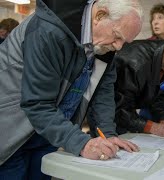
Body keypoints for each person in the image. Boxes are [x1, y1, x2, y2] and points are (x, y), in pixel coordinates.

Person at [0, 0, 143, 179]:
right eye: (117, 35)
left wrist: (107, 135)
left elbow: (102, 93)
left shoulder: (105, 46)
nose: (119, 46)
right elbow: (37, 103)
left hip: (49, 131)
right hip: (11, 131)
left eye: (125, 41)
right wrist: (81, 143)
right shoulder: (49, 30)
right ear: (99, 16)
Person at [94, 31, 164, 137]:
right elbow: (120, 110)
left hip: (123, 115)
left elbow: (161, 98)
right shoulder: (134, 62)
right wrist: (154, 128)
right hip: (105, 116)